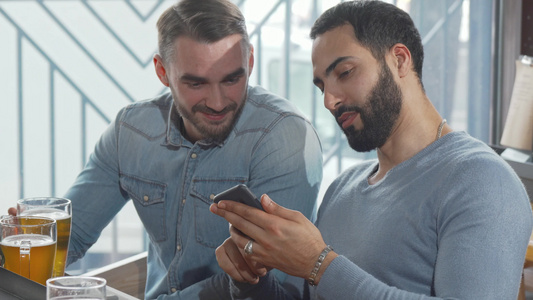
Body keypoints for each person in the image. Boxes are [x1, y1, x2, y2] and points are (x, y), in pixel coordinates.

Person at [210, 1, 533, 299]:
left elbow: (326, 271)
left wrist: (320, 264)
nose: (329, 100)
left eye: (345, 72)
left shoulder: (482, 181)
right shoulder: (342, 188)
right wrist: (250, 279)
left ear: (399, 60)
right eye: (322, 85)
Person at [8, 0, 323, 299]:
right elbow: (68, 239)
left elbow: (265, 281)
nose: (217, 102)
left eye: (231, 79)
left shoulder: (283, 137)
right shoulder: (132, 131)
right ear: (162, 72)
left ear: (250, 61)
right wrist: (18, 242)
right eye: (196, 84)